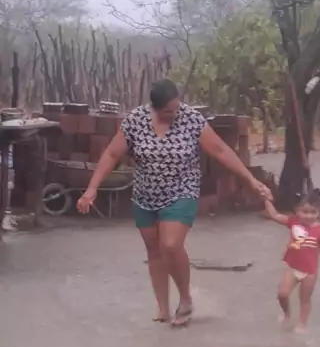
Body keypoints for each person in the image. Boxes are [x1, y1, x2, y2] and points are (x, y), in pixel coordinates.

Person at [77, 80, 272, 326]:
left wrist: (251, 180)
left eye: (177, 108)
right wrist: (92, 188)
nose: (175, 114)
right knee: (154, 250)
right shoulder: (135, 120)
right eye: (169, 111)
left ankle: (185, 298)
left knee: (170, 244)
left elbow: (221, 151)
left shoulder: (191, 119)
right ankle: (163, 307)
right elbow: (112, 154)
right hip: (146, 194)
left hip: (182, 190)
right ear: (155, 108)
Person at [264, 188, 320, 332]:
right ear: (297, 210)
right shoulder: (293, 222)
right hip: (292, 268)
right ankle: (287, 314)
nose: (308, 216)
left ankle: (302, 324)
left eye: (313, 212)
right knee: (282, 294)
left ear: (318, 212)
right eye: (305, 212)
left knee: (304, 300)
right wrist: (266, 199)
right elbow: (274, 215)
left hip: (309, 272)